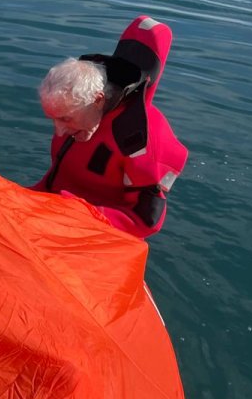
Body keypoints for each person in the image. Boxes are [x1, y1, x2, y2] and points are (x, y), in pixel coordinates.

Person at [34, 15, 188, 238]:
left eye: (65, 120)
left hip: (95, 235)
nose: (58, 131)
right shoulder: (77, 111)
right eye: (53, 119)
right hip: (54, 215)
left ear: (98, 100)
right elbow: (52, 182)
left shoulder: (139, 137)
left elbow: (145, 220)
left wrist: (76, 216)